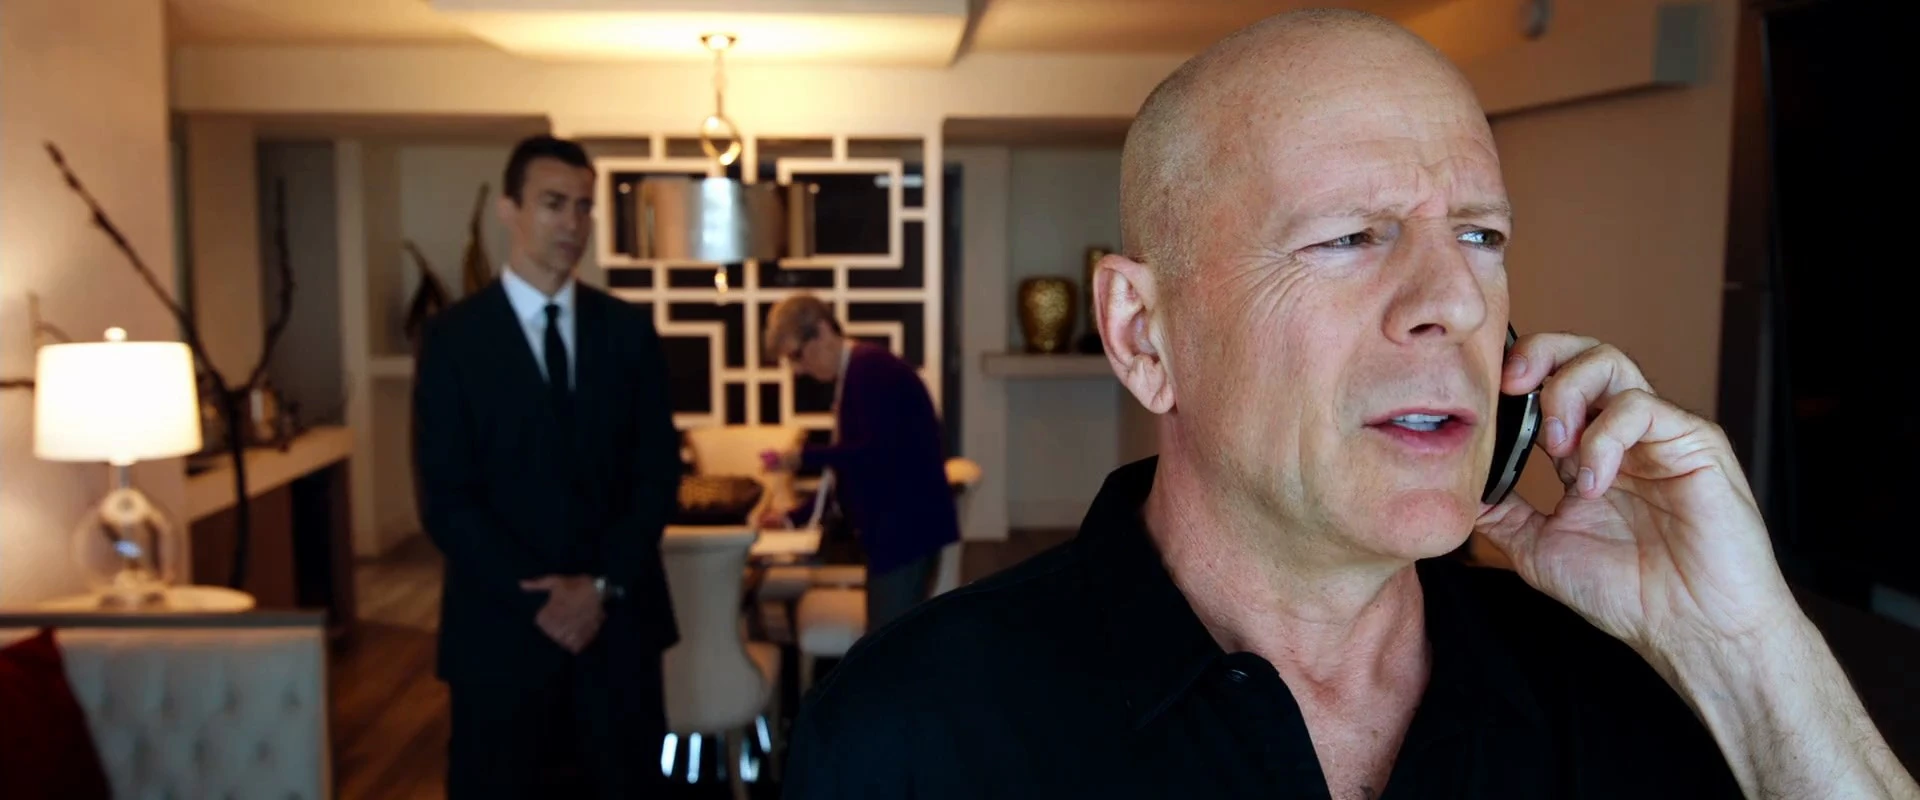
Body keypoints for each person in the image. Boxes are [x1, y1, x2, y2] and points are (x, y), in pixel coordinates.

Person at [781, 10, 1919, 800]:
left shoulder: (1616, 689)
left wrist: (1744, 645)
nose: (1453, 301)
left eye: (1481, 235)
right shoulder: (913, 733)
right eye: (1349, 237)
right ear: (1143, 334)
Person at [411, 134, 682, 799]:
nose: (572, 223)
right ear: (508, 208)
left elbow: (656, 476)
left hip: (617, 634)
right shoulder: (452, 340)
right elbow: (446, 498)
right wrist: (545, 599)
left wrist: (599, 586)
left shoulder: (628, 332)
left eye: (584, 207)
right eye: (553, 203)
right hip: (500, 636)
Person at [759, 293, 960, 631]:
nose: (797, 369)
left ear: (823, 331)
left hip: (904, 532)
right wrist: (794, 517)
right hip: (898, 531)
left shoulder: (870, 370)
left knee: (888, 645)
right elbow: (850, 468)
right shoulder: (859, 370)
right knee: (891, 641)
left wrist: (803, 457)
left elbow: (870, 454)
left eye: (797, 355)